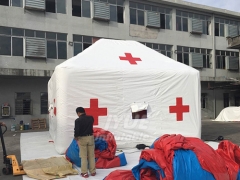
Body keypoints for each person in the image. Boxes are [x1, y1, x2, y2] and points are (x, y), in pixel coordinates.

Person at [74, 107, 96, 178]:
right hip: (91, 137)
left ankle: (84, 172)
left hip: (82, 138)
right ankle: (93, 171)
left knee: (83, 156)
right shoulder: (91, 118)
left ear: (78, 113)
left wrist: (76, 137)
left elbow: (77, 131)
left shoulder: (77, 120)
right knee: (91, 155)